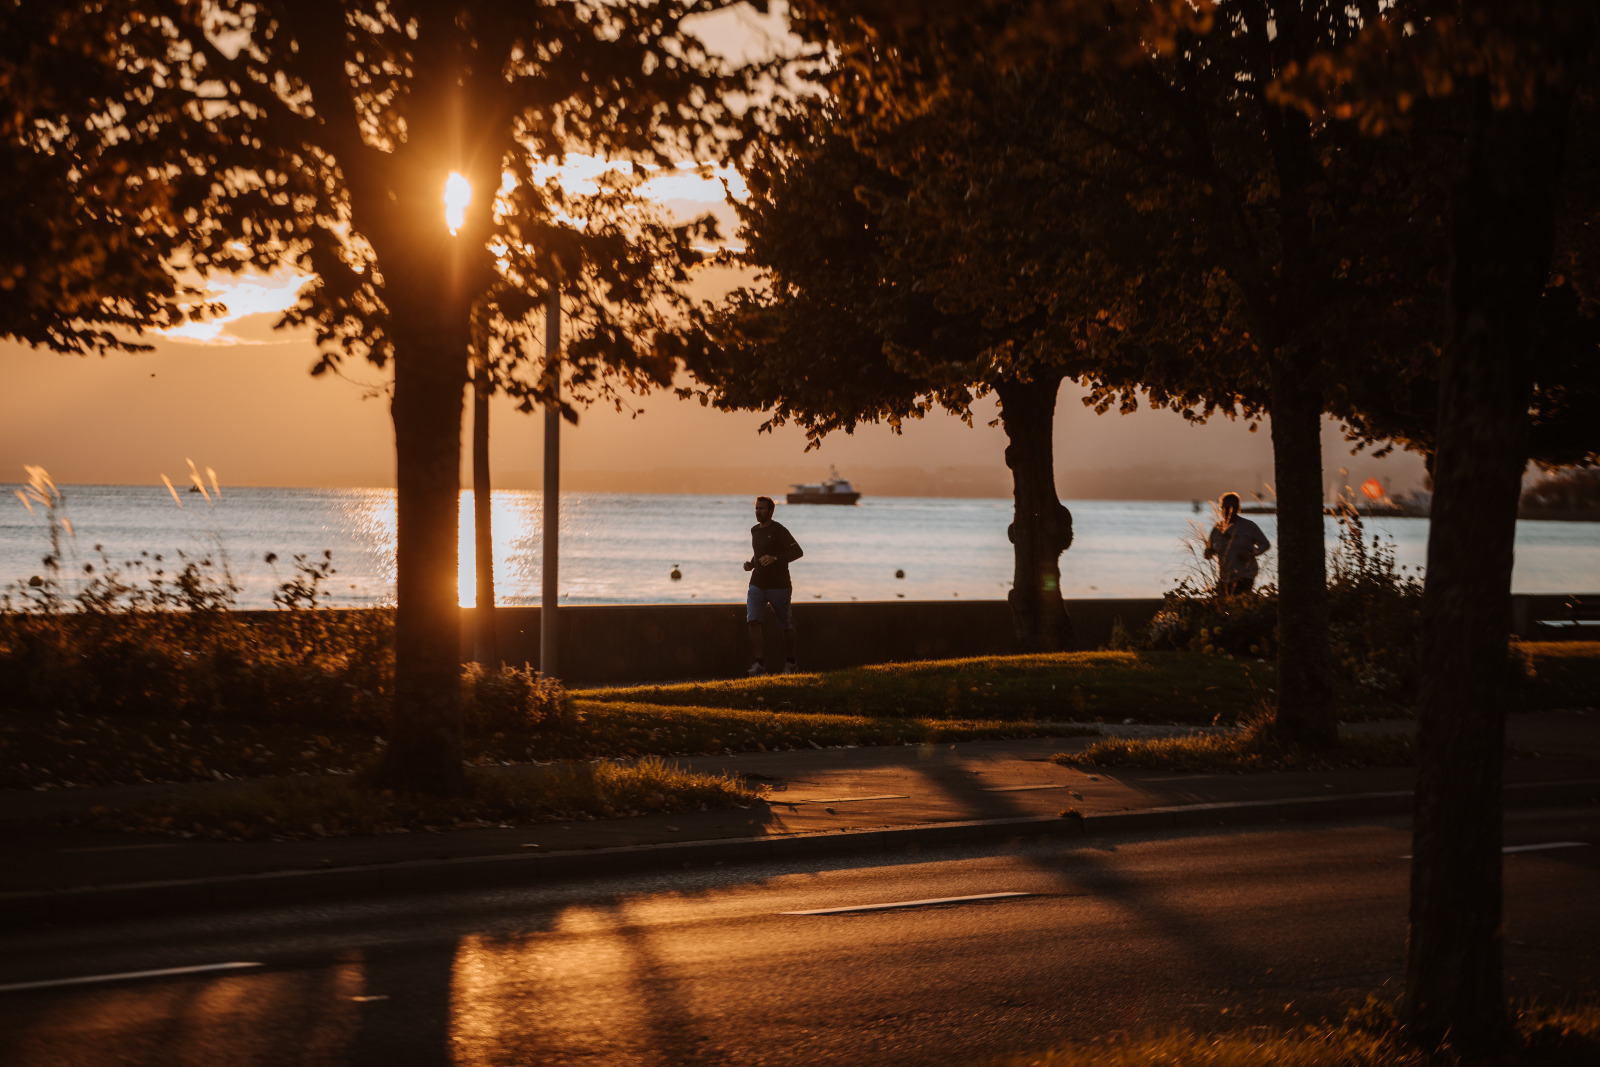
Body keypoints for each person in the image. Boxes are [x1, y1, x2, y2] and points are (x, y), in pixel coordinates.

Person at [744, 495, 803, 675]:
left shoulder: (779, 530)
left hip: (779, 586)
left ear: (770, 511)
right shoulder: (754, 530)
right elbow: (759, 553)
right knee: (753, 621)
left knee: (786, 625)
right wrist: (751, 564)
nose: (758, 512)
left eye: (762, 508)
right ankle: (759, 664)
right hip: (757, 584)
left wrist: (775, 558)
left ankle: (791, 663)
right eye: (756, 508)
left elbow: (797, 551)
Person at [1204, 492, 1271, 597]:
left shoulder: (1249, 526)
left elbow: (1265, 544)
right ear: (1220, 508)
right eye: (1225, 507)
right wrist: (1209, 552)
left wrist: (1252, 553)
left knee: (1238, 606)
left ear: (1238, 508)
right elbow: (1208, 552)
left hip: (1244, 576)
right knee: (1224, 608)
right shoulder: (1217, 529)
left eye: (1233, 507)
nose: (1228, 510)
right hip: (1224, 578)